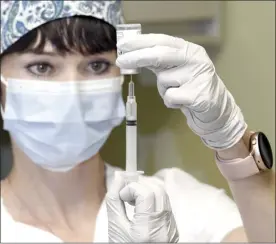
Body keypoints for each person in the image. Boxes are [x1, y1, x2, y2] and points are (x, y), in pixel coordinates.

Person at [0, 1, 274, 243]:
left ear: (121, 74)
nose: (75, 93)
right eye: (42, 67)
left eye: (97, 65)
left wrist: (232, 140)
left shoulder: (175, 204)